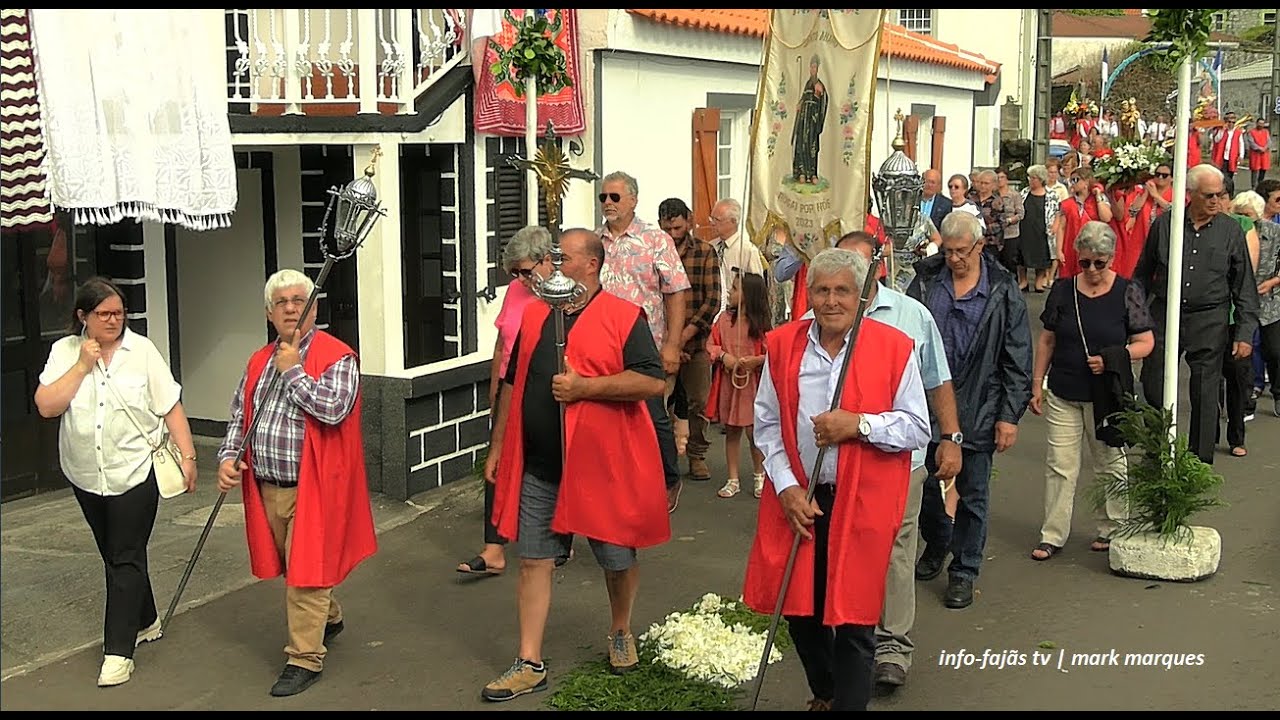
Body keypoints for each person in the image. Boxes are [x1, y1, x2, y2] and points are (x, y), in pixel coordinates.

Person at [481, 228, 669, 701]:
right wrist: (498, 446)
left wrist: (588, 388)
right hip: (541, 466)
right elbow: (511, 384)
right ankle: (529, 660)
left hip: (601, 466)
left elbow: (651, 383)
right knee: (534, 560)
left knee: (616, 558)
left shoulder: (624, 316)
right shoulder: (533, 316)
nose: (552, 264)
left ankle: (621, 630)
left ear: (591, 264)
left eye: (561, 257)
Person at [744, 248, 930, 712]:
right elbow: (766, 422)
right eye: (823, 290)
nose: (832, 301)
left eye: (842, 290)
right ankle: (826, 690)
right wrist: (785, 486)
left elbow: (916, 427)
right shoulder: (784, 344)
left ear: (862, 296)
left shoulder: (892, 347)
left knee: (854, 617)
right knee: (800, 609)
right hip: (800, 498)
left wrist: (859, 424)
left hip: (862, 501)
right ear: (809, 294)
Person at [808, 231, 962, 695]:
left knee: (894, 546)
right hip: (830, 466)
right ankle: (844, 639)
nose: (842, 284)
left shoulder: (911, 315)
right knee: (837, 552)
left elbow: (937, 380)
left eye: (854, 272)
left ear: (874, 269)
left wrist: (951, 438)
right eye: (832, 277)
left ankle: (891, 646)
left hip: (898, 460)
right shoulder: (816, 316)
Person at [216, 268, 377, 697]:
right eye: (281, 302)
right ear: (270, 313)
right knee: (294, 563)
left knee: (305, 573)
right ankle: (330, 614)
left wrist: (293, 372)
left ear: (313, 308)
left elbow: (333, 410)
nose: (290, 308)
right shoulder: (256, 359)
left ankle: (304, 658)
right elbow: (239, 415)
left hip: (314, 486)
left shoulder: (337, 356)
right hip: (267, 485)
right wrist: (229, 456)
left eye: (298, 301)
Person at [34, 277, 197, 688]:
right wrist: (82, 366)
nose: (113, 321)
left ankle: (118, 652)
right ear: (83, 317)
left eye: (119, 313)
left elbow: (169, 405)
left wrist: (189, 455)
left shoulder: (141, 351)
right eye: (103, 314)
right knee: (115, 553)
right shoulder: (64, 352)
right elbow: (47, 406)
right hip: (86, 474)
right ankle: (145, 618)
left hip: (135, 471)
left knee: (125, 556)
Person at [908, 212, 1033, 610]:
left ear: (979, 246)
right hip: (925, 405)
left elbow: (1017, 354)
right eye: (948, 251)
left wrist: (1009, 416)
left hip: (981, 402)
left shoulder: (1001, 288)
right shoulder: (926, 281)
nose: (955, 259)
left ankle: (964, 570)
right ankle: (939, 540)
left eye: (962, 251)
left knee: (973, 494)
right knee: (923, 484)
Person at [1028, 222, 1154, 560]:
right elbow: (1047, 339)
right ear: (1076, 259)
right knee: (1060, 465)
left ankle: (1113, 527)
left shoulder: (1128, 291)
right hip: (1064, 390)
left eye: (1100, 262)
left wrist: (1114, 357)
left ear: (1112, 258)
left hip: (1107, 394)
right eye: (1085, 263)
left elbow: (1146, 342)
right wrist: (1037, 382)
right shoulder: (1063, 290)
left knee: (1110, 462)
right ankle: (1052, 534)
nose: (1093, 270)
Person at [1134, 165, 1258, 465]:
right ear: (1191, 195)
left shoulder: (1230, 231)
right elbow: (1142, 274)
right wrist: (1135, 319)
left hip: (1210, 317)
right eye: (1209, 195)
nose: (1216, 201)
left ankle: (1198, 461)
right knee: (1154, 381)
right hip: (1165, 313)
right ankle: (1158, 449)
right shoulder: (1166, 225)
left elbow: (1244, 286)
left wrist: (1243, 333)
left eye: (1220, 195)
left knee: (1205, 388)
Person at [459, 226, 552, 576]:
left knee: (545, 464)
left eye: (525, 271)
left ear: (546, 261)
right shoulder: (516, 290)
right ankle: (493, 547)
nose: (520, 279)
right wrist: (495, 386)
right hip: (510, 385)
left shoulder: (559, 292)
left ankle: (556, 539)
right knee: (496, 461)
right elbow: (502, 342)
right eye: (514, 272)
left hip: (543, 388)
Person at [597, 171, 690, 511]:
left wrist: (672, 344)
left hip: (646, 343)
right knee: (610, 418)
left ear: (633, 200)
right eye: (603, 197)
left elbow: (676, 292)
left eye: (615, 197)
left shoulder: (655, 239)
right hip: (604, 347)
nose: (608, 203)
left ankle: (669, 478)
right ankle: (619, 484)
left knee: (652, 414)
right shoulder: (596, 241)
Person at [658, 198, 721, 476]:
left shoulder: (705, 252)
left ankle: (696, 455)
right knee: (657, 402)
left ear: (690, 221)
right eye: (667, 228)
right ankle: (661, 458)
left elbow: (713, 301)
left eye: (678, 227)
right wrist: (669, 341)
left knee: (698, 402)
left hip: (694, 341)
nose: (673, 234)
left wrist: (681, 338)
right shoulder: (655, 252)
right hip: (660, 344)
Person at [704, 271, 770, 499]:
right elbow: (710, 345)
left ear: (748, 294)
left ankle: (759, 475)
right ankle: (733, 478)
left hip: (754, 387)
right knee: (732, 431)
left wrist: (756, 361)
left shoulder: (761, 324)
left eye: (734, 288)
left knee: (755, 433)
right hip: (730, 386)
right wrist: (724, 357)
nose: (730, 292)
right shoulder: (723, 320)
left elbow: (774, 354)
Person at [1019, 164, 1062, 293]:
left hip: (1043, 229)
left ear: (1040, 179)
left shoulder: (1052, 195)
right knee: (1022, 255)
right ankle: (1023, 281)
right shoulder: (1024, 192)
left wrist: (1055, 225)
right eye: (1030, 178)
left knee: (1042, 255)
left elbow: (1058, 212)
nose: (1031, 180)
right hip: (1025, 229)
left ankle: (1039, 282)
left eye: (1033, 178)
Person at [1245, 119, 1272, 191]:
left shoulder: (1266, 132)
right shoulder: (1251, 132)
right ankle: (1254, 186)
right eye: (1259, 123)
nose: (1261, 125)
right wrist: (1259, 148)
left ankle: (1260, 185)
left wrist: (1265, 148)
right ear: (1256, 123)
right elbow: (1251, 142)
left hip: (1264, 155)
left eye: (1262, 124)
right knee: (1255, 171)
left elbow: (1269, 141)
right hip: (1255, 154)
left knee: (1263, 170)